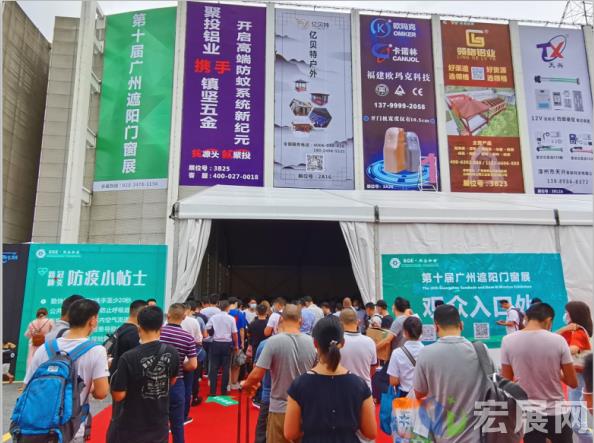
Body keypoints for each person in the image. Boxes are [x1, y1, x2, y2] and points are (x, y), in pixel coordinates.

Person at [24, 299, 109, 442]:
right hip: (72, 429)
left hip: (38, 427)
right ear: (92, 320)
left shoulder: (45, 348)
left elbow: (27, 387)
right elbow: (101, 393)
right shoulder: (97, 351)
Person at [284, 316, 377, 443]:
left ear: (315, 343)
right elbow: (370, 432)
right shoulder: (359, 385)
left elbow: (290, 433)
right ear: (342, 343)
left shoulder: (299, 385)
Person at [414, 304, 495, 442]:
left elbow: (419, 393)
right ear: (461, 325)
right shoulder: (481, 350)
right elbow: (494, 384)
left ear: (436, 326)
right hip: (479, 436)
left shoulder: (425, 354)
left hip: (443, 435)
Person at [501, 302, 577, 443]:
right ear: (549, 321)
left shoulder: (507, 341)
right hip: (557, 412)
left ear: (526, 318)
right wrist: (555, 372)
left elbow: (506, 382)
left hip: (528, 413)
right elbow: (572, 382)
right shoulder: (559, 341)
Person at [242, 305, 317, 443]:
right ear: (300, 320)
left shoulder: (273, 342)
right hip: (305, 409)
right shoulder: (312, 343)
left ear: (281, 319)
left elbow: (257, 374)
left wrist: (247, 386)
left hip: (279, 408)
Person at [107, 306, 180, 443]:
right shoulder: (172, 352)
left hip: (132, 424)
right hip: (159, 421)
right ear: (161, 328)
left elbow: (118, 395)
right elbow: (172, 380)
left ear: (139, 327)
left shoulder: (128, 357)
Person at [160, 303, 198, 441]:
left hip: (156, 381)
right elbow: (193, 364)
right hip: (177, 382)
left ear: (168, 315)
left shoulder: (158, 333)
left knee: (157, 423)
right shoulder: (187, 337)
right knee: (177, 425)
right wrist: (180, 366)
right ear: (183, 317)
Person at [555, 300, 592, 442]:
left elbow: (572, 349)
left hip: (580, 376)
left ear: (574, 314)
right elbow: (552, 339)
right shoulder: (572, 331)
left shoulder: (578, 332)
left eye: (567, 312)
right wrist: (564, 329)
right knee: (578, 423)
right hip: (578, 376)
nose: (565, 315)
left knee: (578, 425)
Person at [205, 300, 239, 396]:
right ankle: (224, 391)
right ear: (228, 308)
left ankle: (212, 391)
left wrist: (211, 334)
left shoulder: (214, 317)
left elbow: (207, 327)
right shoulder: (231, 318)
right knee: (226, 368)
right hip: (227, 344)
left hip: (216, 343)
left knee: (214, 368)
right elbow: (234, 333)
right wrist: (236, 345)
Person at [339, 309, 377, 392]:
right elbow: (373, 369)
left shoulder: (336, 342)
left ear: (340, 323)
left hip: (342, 390)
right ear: (358, 322)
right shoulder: (370, 342)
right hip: (364, 389)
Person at [109, 300, 147, 376]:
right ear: (141, 314)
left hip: (115, 374)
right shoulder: (134, 333)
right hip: (125, 377)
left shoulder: (120, 329)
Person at [387, 316, 424, 397]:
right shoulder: (427, 351)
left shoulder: (397, 353)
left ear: (405, 332)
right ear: (421, 332)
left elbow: (393, 381)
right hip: (422, 395)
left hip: (404, 395)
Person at [181, 302, 203, 418]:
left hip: (173, 359)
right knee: (187, 387)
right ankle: (184, 414)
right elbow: (199, 340)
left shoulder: (166, 324)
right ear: (189, 310)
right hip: (189, 358)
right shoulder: (194, 321)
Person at [253, 338, 272, 442]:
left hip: (268, 396)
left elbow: (256, 371)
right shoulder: (307, 342)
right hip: (296, 399)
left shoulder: (265, 344)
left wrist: (249, 386)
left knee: (262, 433)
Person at [229, 297, 248, 390]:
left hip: (226, 342)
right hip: (237, 342)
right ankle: (234, 382)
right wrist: (242, 342)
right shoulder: (240, 314)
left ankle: (228, 383)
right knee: (236, 364)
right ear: (236, 303)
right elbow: (241, 329)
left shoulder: (226, 313)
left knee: (227, 364)